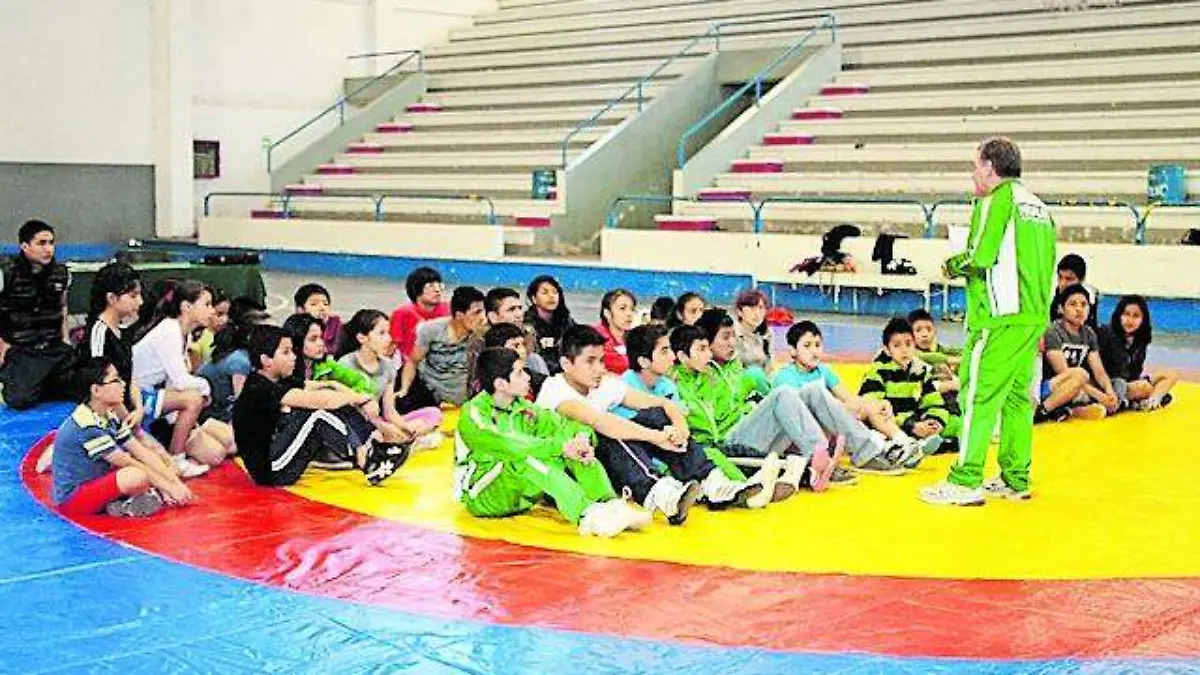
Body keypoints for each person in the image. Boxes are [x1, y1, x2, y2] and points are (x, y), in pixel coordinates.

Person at [921, 136, 1057, 506]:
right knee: (1016, 400)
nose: (973, 175)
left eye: (974, 166)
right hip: (1033, 318)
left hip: (998, 318)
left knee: (976, 396)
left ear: (989, 166)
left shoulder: (996, 200)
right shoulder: (1038, 207)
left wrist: (952, 265)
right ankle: (1016, 477)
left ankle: (965, 480)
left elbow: (980, 257)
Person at [535, 325, 760, 524]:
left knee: (655, 416)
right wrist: (657, 437)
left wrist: (680, 428)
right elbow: (600, 421)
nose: (599, 368)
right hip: (571, 472)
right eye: (590, 361)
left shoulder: (604, 384)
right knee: (609, 431)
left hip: (607, 462)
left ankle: (712, 482)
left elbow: (663, 404)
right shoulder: (555, 391)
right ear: (566, 364)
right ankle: (660, 494)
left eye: (601, 360)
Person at [455, 347, 649, 537]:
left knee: (576, 449)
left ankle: (609, 505)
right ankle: (588, 516)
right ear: (500, 384)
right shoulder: (473, 414)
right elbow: (512, 445)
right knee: (526, 457)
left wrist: (580, 439)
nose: (528, 377)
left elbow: (565, 425)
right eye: (520, 373)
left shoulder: (524, 408)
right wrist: (562, 447)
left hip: (521, 494)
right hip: (485, 495)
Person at [671, 322, 837, 497]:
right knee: (783, 394)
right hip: (724, 445)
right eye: (702, 349)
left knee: (788, 400)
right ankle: (807, 466)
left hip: (737, 436)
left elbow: (728, 410)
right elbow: (703, 432)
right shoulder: (674, 387)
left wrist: (748, 409)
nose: (709, 354)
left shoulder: (713, 375)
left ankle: (816, 459)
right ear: (682, 356)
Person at [232, 325, 409, 487]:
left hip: (280, 454)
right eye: (286, 352)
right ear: (266, 360)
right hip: (271, 469)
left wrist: (349, 394)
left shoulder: (278, 380)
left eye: (292, 351)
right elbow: (323, 401)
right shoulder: (259, 387)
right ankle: (366, 459)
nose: (293, 357)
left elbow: (325, 387)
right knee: (317, 414)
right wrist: (359, 398)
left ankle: (372, 446)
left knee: (335, 402)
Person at [52, 357, 196, 518]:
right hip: (73, 501)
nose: (123, 384)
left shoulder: (109, 415)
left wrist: (175, 482)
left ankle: (127, 501)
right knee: (136, 475)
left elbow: (141, 451)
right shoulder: (87, 426)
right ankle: (124, 504)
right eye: (115, 380)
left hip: (96, 482)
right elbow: (128, 462)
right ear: (96, 390)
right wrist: (169, 487)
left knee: (161, 464)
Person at [772, 321, 913, 475]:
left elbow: (849, 399)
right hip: (802, 436)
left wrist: (876, 405)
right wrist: (844, 409)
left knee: (868, 407)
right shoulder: (785, 377)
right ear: (793, 351)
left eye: (818, 345)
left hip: (828, 431)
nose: (814, 351)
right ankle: (874, 446)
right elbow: (798, 418)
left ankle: (902, 441)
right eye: (807, 346)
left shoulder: (824, 371)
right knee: (841, 408)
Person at [131, 280, 234, 474]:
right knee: (193, 398)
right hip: (137, 395)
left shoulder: (183, 333)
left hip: (157, 396)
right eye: (207, 304)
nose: (211, 311)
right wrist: (205, 389)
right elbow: (180, 381)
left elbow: (174, 381)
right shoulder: (169, 331)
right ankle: (176, 458)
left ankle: (177, 442)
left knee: (219, 452)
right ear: (186, 307)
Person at [330, 311, 443, 451]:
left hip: (380, 420)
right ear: (362, 338)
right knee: (378, 434)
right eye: (381, 333)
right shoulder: (346, 364)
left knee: (433, 413)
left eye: (388, 333)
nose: (389, 339)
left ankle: (403, 440)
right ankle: (403, 441)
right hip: (356, 423)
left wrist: (405, 427)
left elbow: (389, 411)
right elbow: (345, 410)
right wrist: (383, 427)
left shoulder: (388, 365)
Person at [0, 220, 76, 409]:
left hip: (53, 347)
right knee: (20, 399)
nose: (48, 249)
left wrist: (65, 339)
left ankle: (43, 383)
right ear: (24, 246)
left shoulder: (62, 274)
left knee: (84, 383)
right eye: (41, 243)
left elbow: (63, 306)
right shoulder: (6, 273)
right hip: (21, 348)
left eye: (51, 243)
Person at [858, 318, 957, 455]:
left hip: (916, 421)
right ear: (887, 350)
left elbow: (934, 402)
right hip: (891, 425)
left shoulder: (921, 371)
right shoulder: (877, 372)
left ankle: (922, 443)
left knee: (954, 423)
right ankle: (912, 445)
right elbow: (876, 411)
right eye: (897, 346)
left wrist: (934, 420)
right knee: (878, 433)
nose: (904, 350)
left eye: (908, 344)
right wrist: (911, 425)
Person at [396, 286, 487, 411]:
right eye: (477, 313)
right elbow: (412, 362)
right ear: (459, 315)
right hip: (429, 392)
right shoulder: (432, 330)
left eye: (483, 312)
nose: (483, 317)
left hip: (461, 397)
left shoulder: (482, 335)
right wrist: (404, 389)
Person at [1038, 284, 1120, 421]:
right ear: (1061, 308)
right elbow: (1063, 372)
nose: (1079, 309)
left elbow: (1099, 371)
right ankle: (1042, 411)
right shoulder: (1053, 331)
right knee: (1081, 375)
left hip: (1074, 387)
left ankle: (1068, 411)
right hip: (1050, 386)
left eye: (1083, 304)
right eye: (1072, 304)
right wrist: (1100, 396)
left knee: (1098, 401)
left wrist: (1110, 392)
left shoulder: (1088, 333)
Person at [1098, 295, 1177, 411]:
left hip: (1131, 383)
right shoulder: (1106, 333)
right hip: (1112, 386)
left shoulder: (1140, 339)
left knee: (1170, 374)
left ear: (1143, 319)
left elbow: (1136, 370)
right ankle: (1148, 399)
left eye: (1136, 316)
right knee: (1143, 387)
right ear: (1119, 315)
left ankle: (1152, 401)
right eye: (1126, 314)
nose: (1130, 320)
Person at [198, 297, 270, 423]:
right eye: (269, 333)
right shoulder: (240, 361)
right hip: (209, 419)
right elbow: (242, 409)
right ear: (251, 336)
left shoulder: (247, 356)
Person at [389, 267, 448, 360]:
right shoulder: (401, 314)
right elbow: (392, 348)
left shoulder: (449, 311)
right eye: (431, 286)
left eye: (439, 285)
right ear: (416, 288)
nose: (437, 290)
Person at [524, 275, 575, 374]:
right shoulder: (527, 324)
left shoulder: (566, 320)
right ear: (534, 299)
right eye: (545, 292)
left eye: (555, 292)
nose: (551, 296)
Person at [480, 323, 547, 398]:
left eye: (523, 344)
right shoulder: (481, 390)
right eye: (516, 345)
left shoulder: (538, 380)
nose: (523, 350)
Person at [1050, 254, 1100, 328]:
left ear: (1081, 280)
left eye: (1069, 279)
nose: (1062, 283)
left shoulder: (1088, 300)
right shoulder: (1057, 296)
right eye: (1060, 277)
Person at [595, 289, 637, 374]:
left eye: (632, 309)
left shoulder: (634, 337)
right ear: (607, 313)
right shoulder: (596, 337)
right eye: (622, 308)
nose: (629, 314)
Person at [295, 283, 342, 355]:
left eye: (325, 304)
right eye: (314, 304)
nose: (322, 308)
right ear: (300, 310)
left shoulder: (335, 324)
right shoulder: (295, 327)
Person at [189, 290, 230, 371]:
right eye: (219, 314)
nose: (225, 319)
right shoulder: (198, 338)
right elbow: (195, 371)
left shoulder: (232, 337)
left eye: (228, 315)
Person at [732, 289, 773, 370]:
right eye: (751, 308)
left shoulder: (767, 334)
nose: (757, 313)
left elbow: (769, 367)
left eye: (760, 308)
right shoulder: (732, 333)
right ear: (739, 311)